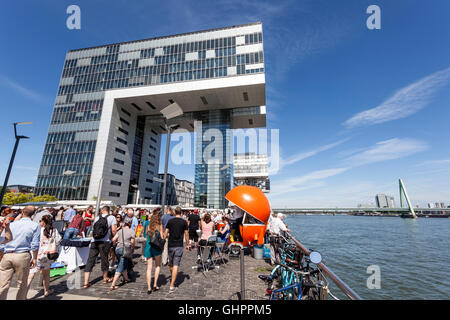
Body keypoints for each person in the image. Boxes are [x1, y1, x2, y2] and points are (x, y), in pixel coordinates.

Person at [0, 205, 40, 300]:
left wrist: (3, 253)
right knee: (22, 284)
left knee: (3, 284)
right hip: (22, 255)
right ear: (33, 215)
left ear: (22, 212)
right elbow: (35, 245)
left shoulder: (12, 224)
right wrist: (34, 258)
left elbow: (3, 240)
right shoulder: (35, 225)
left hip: (8, 254)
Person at [26, 215, 61, 297]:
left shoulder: (38, 230)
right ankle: (46, 291)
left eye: (40, 221)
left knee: (30, 275)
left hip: (36, 255)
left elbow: (32, 242)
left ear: (43, 222)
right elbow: (58, 240)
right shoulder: (54, 231)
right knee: (46, 274)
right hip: (48, 255)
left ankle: (24, 294)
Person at [83, 206, 117, 288]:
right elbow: (113, 230)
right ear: (109, 211)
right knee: (104, 259)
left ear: (102, 210)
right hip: (105, 242)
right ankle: (105, 278)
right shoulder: (112, 217)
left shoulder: (97, 218)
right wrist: (114, 238)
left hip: (94, 241)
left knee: (90, 260)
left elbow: (93, 229)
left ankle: (85, 282)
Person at [163, 206, 189, 293]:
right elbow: (186, 234)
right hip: (179, 245)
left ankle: (172, 279)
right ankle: (172, 286)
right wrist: (188, 244)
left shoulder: (170, 221)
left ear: (174, 212)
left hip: (170, 244)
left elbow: (165, 234)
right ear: (181, 212)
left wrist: (163, 237)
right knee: (175, 264)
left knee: (171, 263)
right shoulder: (184, 222)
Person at [110, 217, 135, 291]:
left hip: (118, 250)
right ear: (130, 223)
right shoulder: (131, 231)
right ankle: (113, 285)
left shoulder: (120, 230)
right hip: (126, 250)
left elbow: (113, 239)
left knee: (123, 264)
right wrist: (132, 249)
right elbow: (132, 242)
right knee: (120, 266)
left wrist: (115, 244)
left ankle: (126, 279)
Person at [144, 211, 163, 294]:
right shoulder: (159, 226)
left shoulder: (148, 226)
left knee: (149, 268)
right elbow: (162, 238)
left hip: (148, 247)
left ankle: (149, 287)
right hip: (157, 248)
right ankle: (155, 284)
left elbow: (146, 236)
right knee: (158, 266)